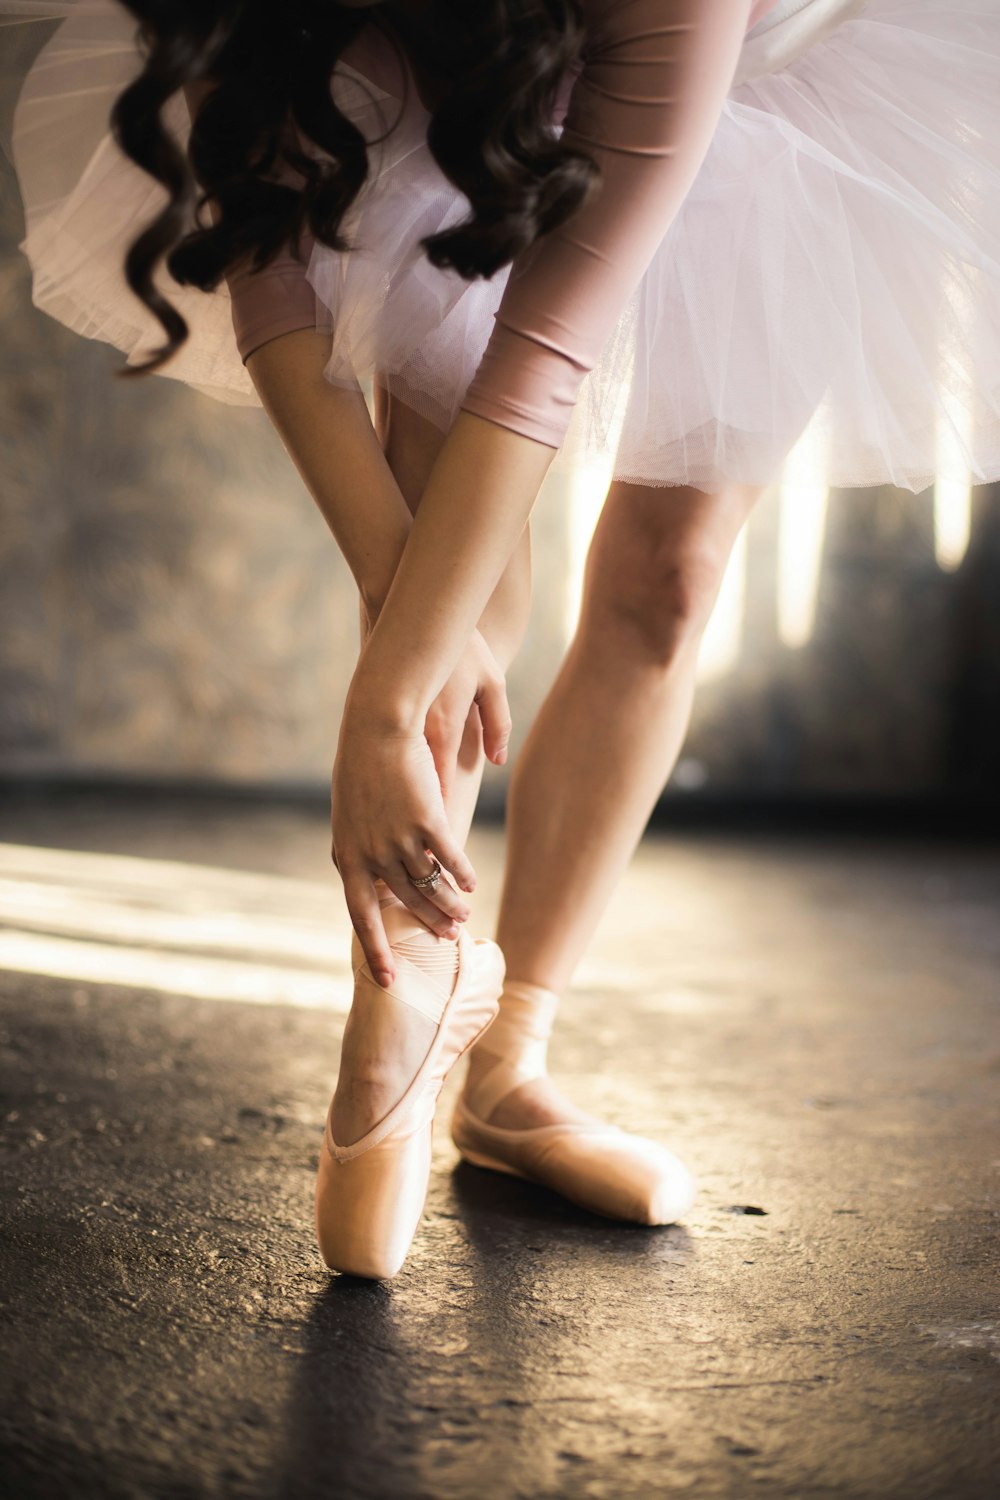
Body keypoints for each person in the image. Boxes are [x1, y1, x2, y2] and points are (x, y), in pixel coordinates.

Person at [2, 0, 999, 1279]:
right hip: (462, 77)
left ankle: (505, 1063)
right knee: (439, 573)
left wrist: (383, 707)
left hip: (771, 72)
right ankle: (399, 1030)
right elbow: (272, 278)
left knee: (673, 577)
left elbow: (545, 352)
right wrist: (396, 613)